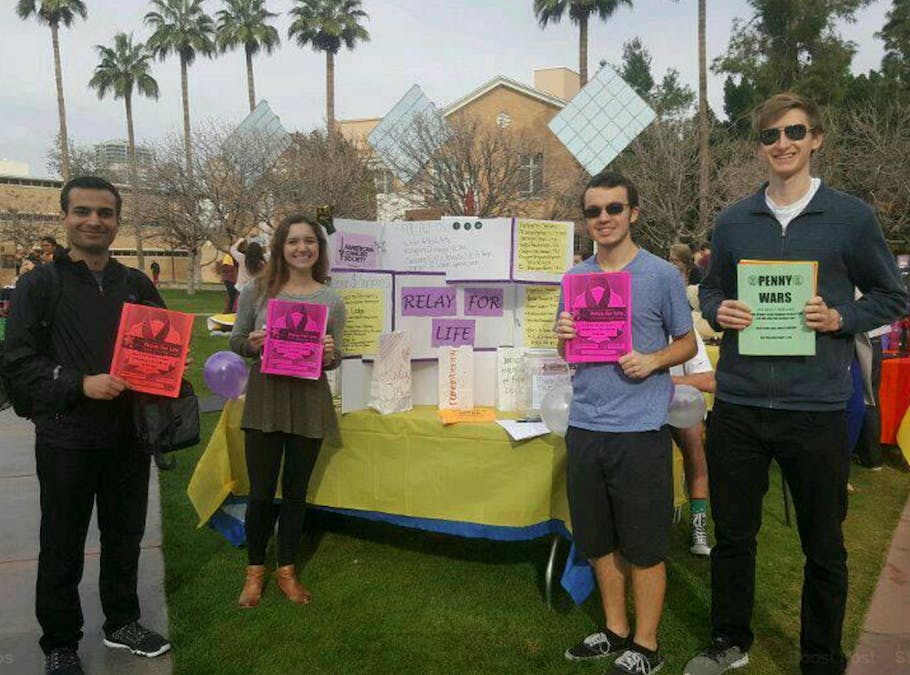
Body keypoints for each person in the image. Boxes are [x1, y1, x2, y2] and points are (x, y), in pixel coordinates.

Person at [686, 93, 908, 675]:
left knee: (824, 545)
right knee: (734, 537)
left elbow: (892, 295)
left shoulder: (851, 216)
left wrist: (841, 318)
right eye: (769, 135)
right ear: (759, 146)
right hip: (737, 403)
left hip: (817, 408)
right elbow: (711, 290)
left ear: (816, 139)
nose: (781, 143)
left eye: (794, 131)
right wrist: (719, 310)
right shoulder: (734, 220)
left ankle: (819, 656)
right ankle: (729, 640)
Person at [2, 176, 172, 675]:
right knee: (62, 541)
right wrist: (80, 384)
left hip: (127, 436)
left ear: (117, 220)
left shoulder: (136, 284)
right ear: (66, 218)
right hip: (66, 436)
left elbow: (160, 345)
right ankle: (59, 641)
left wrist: (167, 367)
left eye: (105, 212)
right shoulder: (40, 284)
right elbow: (17, 361)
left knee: (125, 535)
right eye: (83, 212)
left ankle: (122, 622)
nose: (94, 221)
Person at [556, 171, 696, 674]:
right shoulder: (575, 279)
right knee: (598, 539)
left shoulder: (661, 275)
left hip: (639, 429)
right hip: (587, 424)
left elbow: (688, 343)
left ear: (633, 213)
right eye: (594, 211)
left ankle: (647, 646)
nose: (604, 219)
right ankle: (615, 631)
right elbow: (566, 351)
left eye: (614, 209)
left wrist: (655, 361)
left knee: (643, 543)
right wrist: (564, 334)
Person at [229, 214, 346, 609]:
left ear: (319, 248)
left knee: (296, 493)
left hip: (309, 401)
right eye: (293, 241)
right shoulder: (257, 291)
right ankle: (255, 572)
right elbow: (235, 340)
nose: (302, 248)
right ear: (280, 247)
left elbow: (336, 354)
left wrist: (332, 355)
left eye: (309, 241)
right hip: (266, 397)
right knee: (261, 492)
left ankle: (287, 570)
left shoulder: (331, 299)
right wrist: (253, 344)